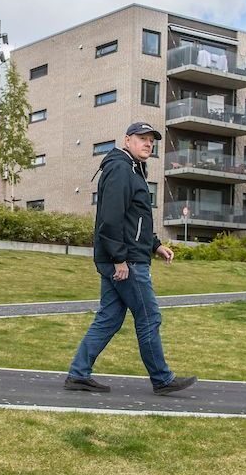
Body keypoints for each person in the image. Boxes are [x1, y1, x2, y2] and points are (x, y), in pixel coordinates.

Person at [64, 121, 197, 396]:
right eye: (142, 139)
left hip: (128, 255)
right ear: (127, 141)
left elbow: (134, 218)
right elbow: (110, 219)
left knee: (110, 318)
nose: (148, 144)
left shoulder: (132, 169)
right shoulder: (121, 169)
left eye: (151, 140)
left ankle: (78, 374)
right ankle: (162, 379)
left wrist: (156, 245)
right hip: (126, 261)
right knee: (149, 316)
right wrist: (119, 259)